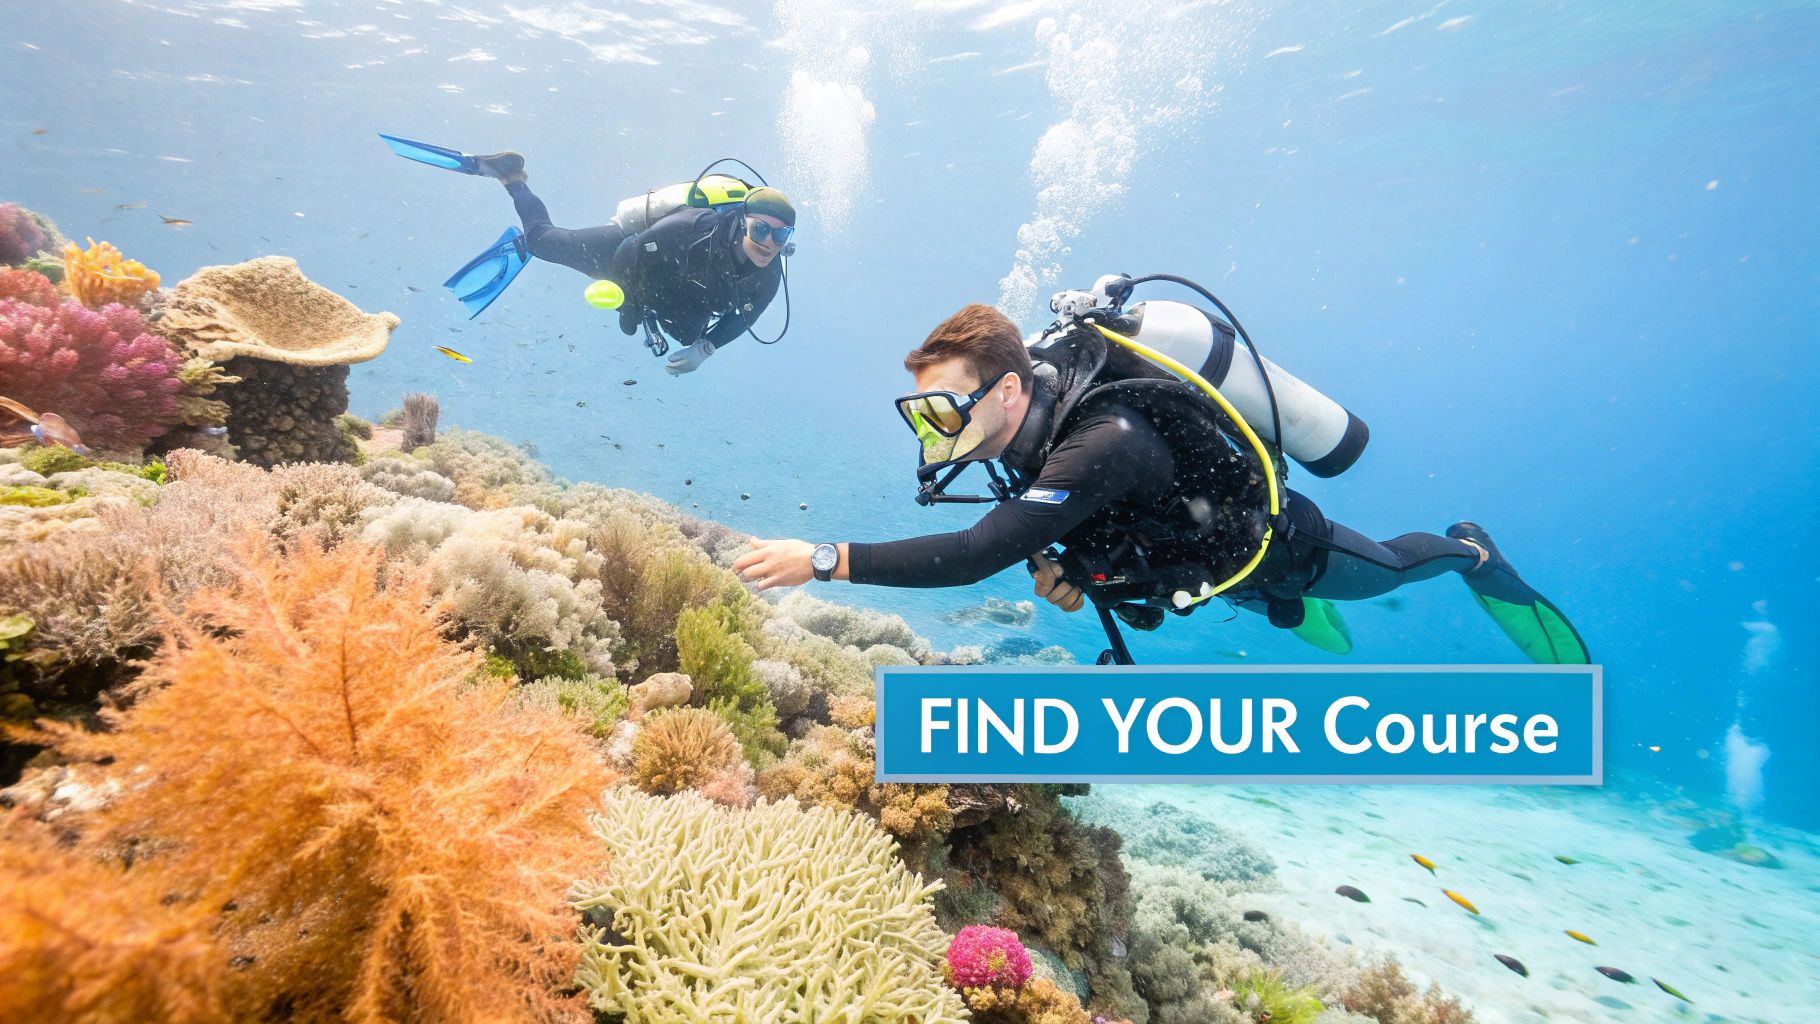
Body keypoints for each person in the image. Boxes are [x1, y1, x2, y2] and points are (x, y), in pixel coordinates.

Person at [732, 302, 1589, 664]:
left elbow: (971, 555)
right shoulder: (1018, 427)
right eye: (922, 414)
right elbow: (1062, 525)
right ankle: (1282, 611)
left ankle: (1473, 554)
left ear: (1005, 390)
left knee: (1389, 570)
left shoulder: (1103, 438)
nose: (934, 432)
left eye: (945, 408)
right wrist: (1074, 571)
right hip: (1178, 563)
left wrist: (821, 558)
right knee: (1253, 606)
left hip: (1269, 545)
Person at [379, 134, 795, 376]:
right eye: (762, 229)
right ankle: (511, 176)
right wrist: (631, 305)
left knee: (690, 336)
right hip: (624, 255)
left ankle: (666, 320)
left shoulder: (769, 276)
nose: (769, 244)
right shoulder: (692, 228)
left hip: (676, 292)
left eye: (782, 236)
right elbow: (633, 249)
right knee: (544, 240)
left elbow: (745, 317)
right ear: (742, 221)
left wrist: (706, 349)